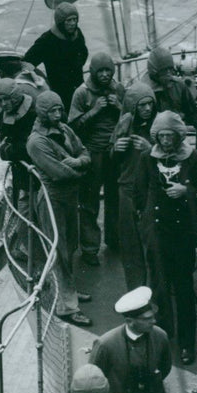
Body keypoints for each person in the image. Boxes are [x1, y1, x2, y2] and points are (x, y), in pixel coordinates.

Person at [134, 110, 197, 366]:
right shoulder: (147, 158)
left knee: (183, 290)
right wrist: (145, 222)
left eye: (171, 135)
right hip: (157, 233)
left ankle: (186, 345)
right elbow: (138, 193)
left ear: (180, 136)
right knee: (158, 288)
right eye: (162, 135)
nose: (166, 140)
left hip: (183, 234)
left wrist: (187, 191)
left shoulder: (196, 159)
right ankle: (162, 337)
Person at [26, 89, 92, 326]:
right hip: (52, 198)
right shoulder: (36, 142)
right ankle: (66, 306)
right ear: (42, 113)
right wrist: (81, 170)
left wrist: (78, 162)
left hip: (69, 197)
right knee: (59, 249)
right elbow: (58, 173)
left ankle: (70, 291)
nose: (57, 114)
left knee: (70, 245)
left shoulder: (65, 130)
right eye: (52, 111)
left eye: (59, 109)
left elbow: (85, 152)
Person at [68, 51, 124, 266]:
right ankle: (90, 248)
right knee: (89, 201)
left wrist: (120, 106)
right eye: (100, 71)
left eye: (108, 71)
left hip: (114, 151)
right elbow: (72, 127)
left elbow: (130, 116)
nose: (104, 75)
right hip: (92, 153)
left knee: (115, 197)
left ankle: (115, 239)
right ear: (92, 72)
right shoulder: (82, 93)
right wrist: (94, 111)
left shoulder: (118, 89)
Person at [110, 80, 156, 288]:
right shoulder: (124, 125)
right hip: (127, 190)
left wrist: (151, 147)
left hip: (150, 191)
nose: (147, 109)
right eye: (142, 105)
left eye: (149, 104)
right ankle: (136, 289)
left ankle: (154, 290)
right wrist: (115, 150)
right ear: (133, 107)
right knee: (130, 245)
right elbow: (114, 161)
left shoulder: (159, 127)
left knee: (152, 244)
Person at [23, 3, 88, 116]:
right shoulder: (47, 40)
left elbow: (84, 53)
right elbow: (27, 63)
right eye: (69, 20)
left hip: (78, 88)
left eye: (75, 19)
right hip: (60, 93)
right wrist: (42, 81)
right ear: (60, 22)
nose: (73, 23)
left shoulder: (77, 34)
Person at [0, 77, 36, 205]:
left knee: (28, 204)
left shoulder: (31, 115)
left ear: (15, 97)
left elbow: (28, 146)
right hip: (19, 170)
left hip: (32, 170)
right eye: (0, 101)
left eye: (6, 99)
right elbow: (0, 118)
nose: (3, 104)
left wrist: (6, 151)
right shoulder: (9, 110)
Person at [144, 45, 197, 146]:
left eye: (170, 69)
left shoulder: (179, 85)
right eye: (164, 71)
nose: (169, 74)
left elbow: (193, 114)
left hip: (178, 136)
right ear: (155, 72)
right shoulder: (145, 92)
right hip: (156, 141)